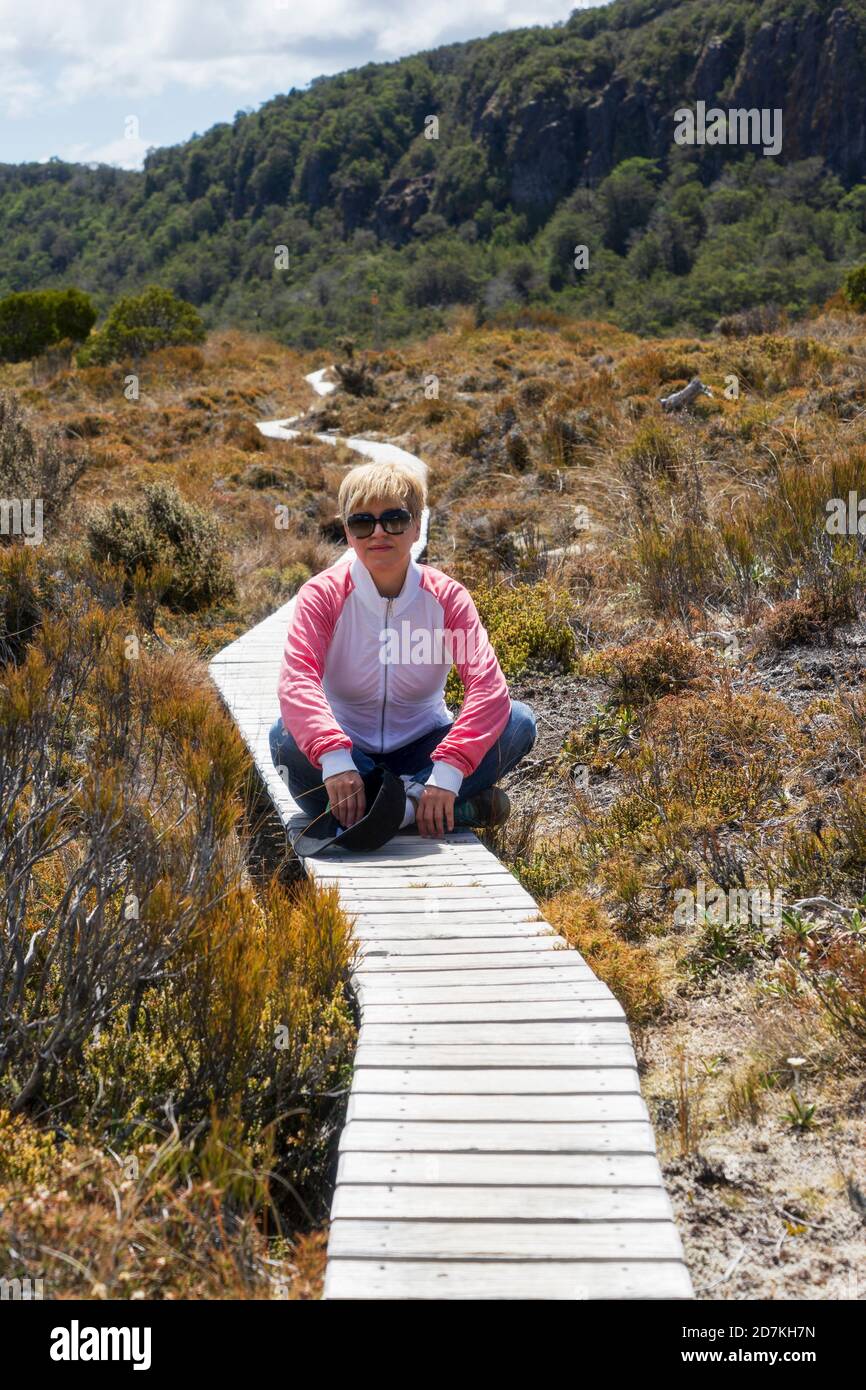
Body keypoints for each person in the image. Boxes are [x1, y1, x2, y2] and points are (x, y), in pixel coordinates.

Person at [269, 457, 537, 838]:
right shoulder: (322, 595)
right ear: (347, 533)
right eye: (362, 523)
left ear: (416, 527)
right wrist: (335, 757)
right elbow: (298, 681)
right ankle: (435, 810)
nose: (378, 534)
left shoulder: (447, 598)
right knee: (284, 739)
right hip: (350, 752)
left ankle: (388, 813)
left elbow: (488, 690)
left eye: (394, 520)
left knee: (518, 721)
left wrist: (446, 771)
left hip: (425, 749)